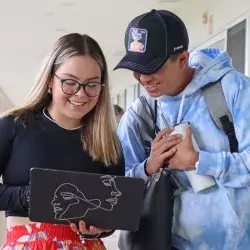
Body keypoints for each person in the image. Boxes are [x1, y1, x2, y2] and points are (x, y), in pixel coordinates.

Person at [114, 9, 250, 250]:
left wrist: (199, 161)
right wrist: (148, 167)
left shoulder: (233, 89)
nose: (143, 78)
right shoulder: (139, 116)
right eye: (136, 68)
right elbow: (117, 191)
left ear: (183, 58)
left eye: (153, 67)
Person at [0, 33, 124, 250]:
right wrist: (32, 195)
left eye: (92, 85)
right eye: (70, 82)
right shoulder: (14, 125)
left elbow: (111, 215)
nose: (80, 94)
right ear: (50, 80)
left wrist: (102, 227)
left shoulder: (107, 141)